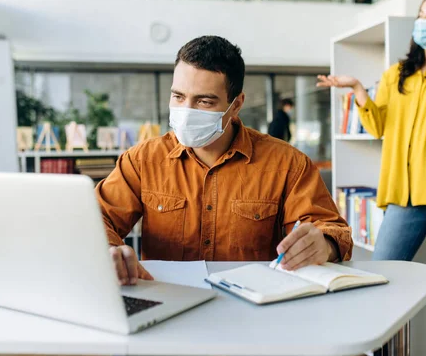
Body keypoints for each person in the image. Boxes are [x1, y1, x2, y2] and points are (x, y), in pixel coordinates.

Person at [317, 0, 426, 356]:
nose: (423, 20)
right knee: (381, 270)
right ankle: (378, 344)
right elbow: (379, 126)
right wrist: (358, 90)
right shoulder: (399, 73)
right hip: (406, 189)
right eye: (420, 14)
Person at [97, 35, 352, 286]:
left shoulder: (287, 164)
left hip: (253, 307)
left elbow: (332, 230)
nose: (186, 111)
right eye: (178, 97)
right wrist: (108, 249)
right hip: (169, 301)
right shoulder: (142, 160)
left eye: (204, 101)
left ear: (236, 104)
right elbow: (97, 218)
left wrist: (324, 244)